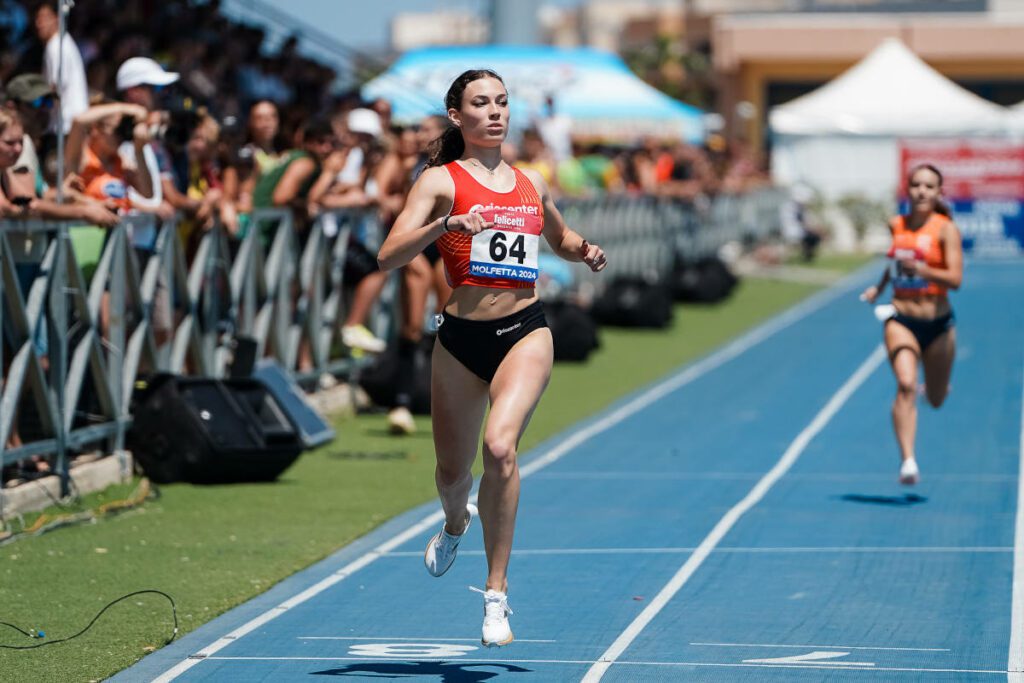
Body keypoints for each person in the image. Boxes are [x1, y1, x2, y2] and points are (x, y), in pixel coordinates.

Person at [376, 69, 606, 647]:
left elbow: (560, 238)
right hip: (460, 339)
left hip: (526, 330)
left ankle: (496, 593)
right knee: (453, 476)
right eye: (481, 103)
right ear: (458, 116)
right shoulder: (439, 181)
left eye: (502, 101)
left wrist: (586, 251)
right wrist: (446, 224)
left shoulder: (531, 180)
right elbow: (387, 256)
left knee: (501, 447)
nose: (496, 111)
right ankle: (456, 521)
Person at [861, 164, 963, 485]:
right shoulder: (897, 224)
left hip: (939, 324)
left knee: (934, 400)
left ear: (938, 193)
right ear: (907, 189)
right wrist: (879, 288)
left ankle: (935, 385)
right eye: (916, 185)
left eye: (929, 186)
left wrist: (922, 270)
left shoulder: (946, 229)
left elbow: (956, 279)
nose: (921, 191)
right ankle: (908, 461)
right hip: (901, 318)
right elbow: (895, 264)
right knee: (905, 385)